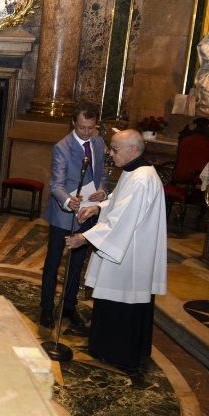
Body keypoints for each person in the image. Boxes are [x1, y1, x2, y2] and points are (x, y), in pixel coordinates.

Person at [65, 130, 168, 371]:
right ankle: (105, 347)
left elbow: (122, 220)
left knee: (122, 305)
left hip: (130, 257)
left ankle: (118, 354)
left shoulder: (142, 178)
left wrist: (84, 237)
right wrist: (98, 207)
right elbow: (118, 201)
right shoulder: (135, 171)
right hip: (127, 249)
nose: (110, 154)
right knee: (113, 303)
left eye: (115, 149)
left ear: (133, 150)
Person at [39, 102, 107, 329]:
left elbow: (102, 174)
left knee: (77, 264)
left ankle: (69, 306)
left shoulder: (98, 142)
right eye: (82, 128)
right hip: (63, 215)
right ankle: (46, 309)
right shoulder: (62, 147)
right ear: (73, 124)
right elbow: (56, 184)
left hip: (89, 212)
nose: (87, 133)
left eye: (91, 128)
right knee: (53, 263)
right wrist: (69, 200)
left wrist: (102, 191)